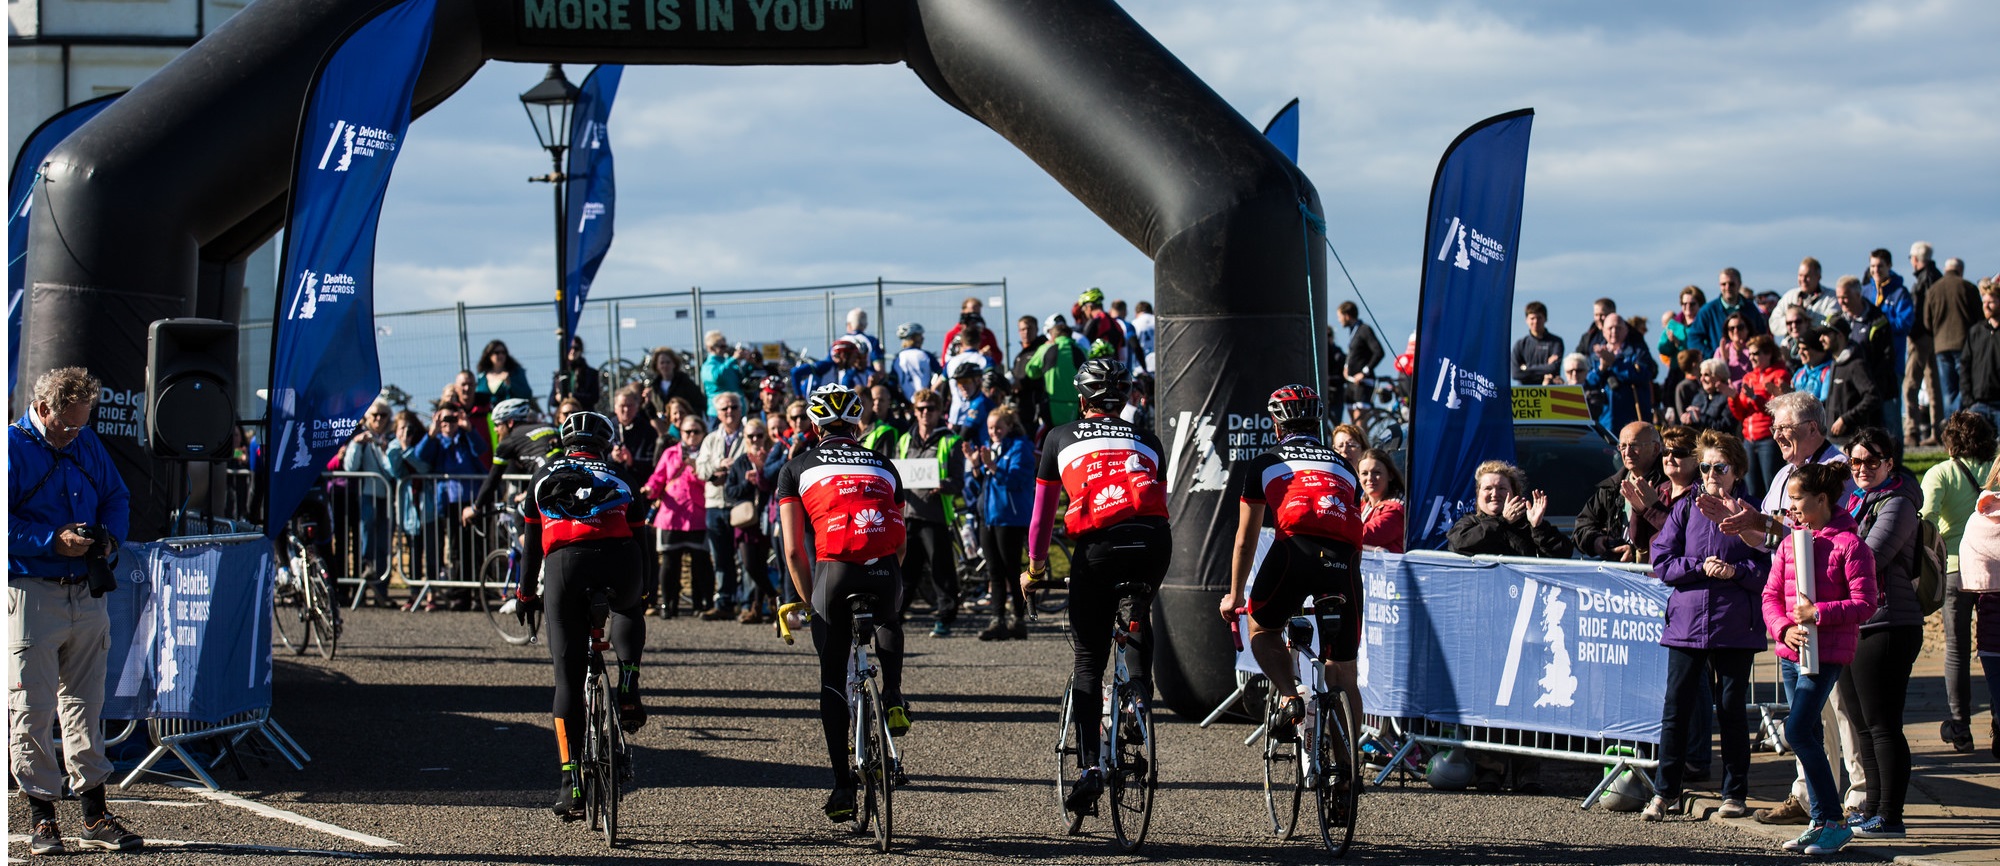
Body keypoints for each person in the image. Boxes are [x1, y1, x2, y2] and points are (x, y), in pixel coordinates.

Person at [1025, 359, 1170, 816]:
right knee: (1134, 614)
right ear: (1123, 399)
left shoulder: (1057, 437)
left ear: (1082, 400)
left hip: (1098, 546)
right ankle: (1136, 701)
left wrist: (1034, 568)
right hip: (1151, 543)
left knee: (1088, 659)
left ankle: (1090, 769)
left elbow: (1042, 517)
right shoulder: (1148, 440)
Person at [8, 367, 143, 854]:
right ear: (42, 409)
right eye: (67, 425)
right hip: (31, 591)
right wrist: (51, 541)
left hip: (85, 590)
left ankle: (95, 813)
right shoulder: (11, 448)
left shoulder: (86, 443)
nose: (74, 434)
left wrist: (109, 539)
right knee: (32, 706)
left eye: (82, 425)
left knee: (88, 704)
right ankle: (42, 817)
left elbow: (117, 497)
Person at [775, 384, 912, 822]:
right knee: (889, 616)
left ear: (813, 426)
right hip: (884, 568)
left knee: (832, 675)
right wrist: (886, 573)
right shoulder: (884, 463)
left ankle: (841, 787)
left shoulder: (795, 467)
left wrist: (806, 598)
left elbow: (794, 551)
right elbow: (901, 540)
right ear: (859, 425)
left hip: (834, 574)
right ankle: (892, 692)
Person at [515, 411, 648, 820]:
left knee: (567, 677)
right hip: (620, 561)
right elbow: (643, 542)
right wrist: (644, 591)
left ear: (564, 442)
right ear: (604, 444)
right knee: (628, 607)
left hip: (566, 566)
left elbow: (532, 546)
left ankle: (569, 782)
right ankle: (628, 682)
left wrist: (524, 594)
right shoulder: (621, 476)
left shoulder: (541, 476)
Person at [1220, 383, 1365, 747]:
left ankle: (1290, 696)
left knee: (1261, 629)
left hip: (1295, 554)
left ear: (1276, 425)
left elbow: (1245, 538)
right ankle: (1349, 771)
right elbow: (1353, 531)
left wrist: (1234, 594)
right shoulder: (1344, 466)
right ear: (1317, 423)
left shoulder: (1266, 463)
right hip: (1344, 563)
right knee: (1344, 672)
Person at [1642, 429, 1768, 822]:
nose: (1711, 473)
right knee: (1676, 708)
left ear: (1736, 471)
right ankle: (1666, 792)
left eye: (1720, 467)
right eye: (1706, 466)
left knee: (1731, 709)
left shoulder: (1752, 509)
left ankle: (1735, 792)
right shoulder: (1686, 508)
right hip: (1687, 622)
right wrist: (1699, 568)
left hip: (1734, 624)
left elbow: (1768, 568)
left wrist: (1735, 571)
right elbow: (1662, 559)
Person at [1761, 462, 1878, 855]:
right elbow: (1771, 597)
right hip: (1791, 652)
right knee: (1807, 733)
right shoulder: (1789, 543)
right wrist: (1783, 629)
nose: (1789, 507)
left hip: (1826, 653)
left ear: (1822, 499)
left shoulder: (1851, 545)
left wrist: (1818, 614)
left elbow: (1865, 603)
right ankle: (1819, 820)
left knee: (1795, 731)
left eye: (1796, 499)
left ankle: (1835, 820)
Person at [1832, 427, 1923, 838]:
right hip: (1859, 621)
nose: (1863, 468)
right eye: (1855, 461)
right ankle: (1872, 807)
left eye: (1872, 461)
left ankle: (1891, 815)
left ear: (1889, 462)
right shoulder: (1854, 500)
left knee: (1883, 723)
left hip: (1889, 622)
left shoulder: (1898, 502)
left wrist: (1826, 551)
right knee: (1862, 723)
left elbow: (1869, 556)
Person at [1926, 411, 1997, 753]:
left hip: (1955, 568)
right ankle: (1998, 721)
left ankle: (1961, 727)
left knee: (1957, 649)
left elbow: (1924, 519)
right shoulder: (1996, 470)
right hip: (1995, 571)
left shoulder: (1941, 473)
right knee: (1996, 649)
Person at [897, 388, 963, 637]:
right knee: (905, 571)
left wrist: (944, 485)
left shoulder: (950, 441)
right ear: (914, 412)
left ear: (939, 412)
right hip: (908, 515)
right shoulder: (904, 440)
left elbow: (959, 482)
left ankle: (945, 617)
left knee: (941, 570)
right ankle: (896, 615)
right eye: (921, 409)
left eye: (931, 409)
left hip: (935, 516)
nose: (926, 413)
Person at [967, 406, 1035, 640]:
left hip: (1010, 518)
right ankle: (998, 619)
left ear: (1009, 427)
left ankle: (1018, 618)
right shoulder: (991, 449)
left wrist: (992, 466)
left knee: (1011, 569)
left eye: (998, 427)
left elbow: (1017, 480)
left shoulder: (1020, 447)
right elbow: (980, 485)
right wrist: (975, 465)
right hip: (990, 516)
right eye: (990, 428)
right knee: (994, 571)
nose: (994, 432)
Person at [643, 416, 709, 618]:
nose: (691, 436)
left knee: (700, 562)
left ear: (702, 433)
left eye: (696, 431)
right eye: (687, 431)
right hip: (671, 514)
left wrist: (696, 468)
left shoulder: (707, 453)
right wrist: (649, 488)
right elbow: (658, 477)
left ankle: (700, 604)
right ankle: (669, 605)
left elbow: (712, 480)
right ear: (680, 433)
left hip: (698, 514)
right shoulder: (670, 453)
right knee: (670, 563)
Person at [1447, 460, 1574, 560]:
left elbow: (1564, 553)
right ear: (1478, 493)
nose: (1495, 494)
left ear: (1514, 493)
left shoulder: (1527, 524)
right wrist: (1502, 521)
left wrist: (1539, 527)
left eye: (1502, 488)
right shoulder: (1469, 523)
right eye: (1488, 488)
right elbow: (1460, 543)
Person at [1575, 422, 1664, 563]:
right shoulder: (1612, 487)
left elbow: (1674, 533)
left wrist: (1636, 552)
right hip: (1617, 576)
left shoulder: (1668, 485)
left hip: (1653, 576)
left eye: (1634, 445)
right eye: (1622, 446)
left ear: (1655, 449)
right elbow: (1582, 526)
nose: (1627, 452)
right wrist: (1597, 541)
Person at [463, 397, 559, 527]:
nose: (496, 429)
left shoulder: (509, 440)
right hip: (566, 480)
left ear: (510, 422)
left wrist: (475, 508)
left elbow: (493, 478)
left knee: (520, 519)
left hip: (547, 485)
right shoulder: (549, 427)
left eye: (497, 424)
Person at [696, 392, 749, 620]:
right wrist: (719, 466)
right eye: (724, 408)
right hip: (715, 503)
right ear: (717, 413)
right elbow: (700, 468)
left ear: (741, 409)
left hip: (740, 503)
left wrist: (733, 470)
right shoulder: (710, 439)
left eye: (734, 407)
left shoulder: (749, 436)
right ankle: (725, 602)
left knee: (745, 557)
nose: (729, 412)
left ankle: (747, 603)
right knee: (721, 556)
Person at [341, 400, 399, 607]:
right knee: (366, 542)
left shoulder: (392, 439)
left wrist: (385, 450)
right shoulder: (360, 438)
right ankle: (363, 590)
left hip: (387, 498)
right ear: (367, 417)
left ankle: (381, 591)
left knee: (384, 545)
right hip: (367, 496)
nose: (378, 419)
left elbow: (393, 470)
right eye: (374, 415)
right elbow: (350, 467)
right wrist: (357, 444)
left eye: (383, 415)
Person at [726, 418, 781, 623]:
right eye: (751, 436)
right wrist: (748, 483)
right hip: (746, 521)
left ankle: (757, 608)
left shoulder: (771, 457)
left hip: (765, 517)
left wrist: (761, 475)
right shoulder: (740, 461)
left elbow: (774, 485)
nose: (756, 439)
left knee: (760, 564)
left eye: (760, 435)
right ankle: (772, 595)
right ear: (745, 438)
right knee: (749, 564)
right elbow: (730, 492)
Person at [1627, 426, 1702, 555]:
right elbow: (1640, 542)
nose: (1669, 458)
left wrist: (1653, 508)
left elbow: (1687, 538)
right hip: (1652, 573)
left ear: (1697, 460)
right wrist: (1639, 511)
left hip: (1682, 573)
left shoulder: (1702, 496)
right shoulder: (1660, 490)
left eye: (1679, 453)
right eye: (1666, 451)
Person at [1730, 336, 1790, 498]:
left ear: (1768, 353)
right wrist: (1733, 398)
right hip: (1749, 440)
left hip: (1768, 439)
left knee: (1772, 486)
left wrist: (1756, 399)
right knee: (1751, 490)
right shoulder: (1748, 377)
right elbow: (1741, 413)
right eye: (1750, 354)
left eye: (1755, 353)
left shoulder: (1780, 374)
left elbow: (1777, 409)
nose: (1751, 358)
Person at [1926, 259, 1981, 423]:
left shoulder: (1933, 290)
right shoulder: (1968, 287)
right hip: (1964, 343)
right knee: (1963, 385)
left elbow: (1927, 321)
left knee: (1948, 389)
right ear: (1961, 270)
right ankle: (1961, 419)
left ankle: (1951, 421)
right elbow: (1979, 317)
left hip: (1941, 345)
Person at [1585, 313, 1658, 432]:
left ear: (1626, 330)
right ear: (1603, 331)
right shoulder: (1596, 356)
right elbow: (1588, 382)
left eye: (1618, 327)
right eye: (1610, 328)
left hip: (1632, 415)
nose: (1614, 331)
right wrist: (1602, 368)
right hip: (1604, 418)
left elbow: (1644, 375)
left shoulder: (1638, 351)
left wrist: (1614, 363)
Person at [1905, 244, 1945, 445]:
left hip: (1921, 336)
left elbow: (1921, 310)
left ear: (1916, 259)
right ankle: (1937, 430)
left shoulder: (1923, 281)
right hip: (1934, 336)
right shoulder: (1937, 276)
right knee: (1933, 384)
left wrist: (1914, 331)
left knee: (1910, 384)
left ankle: (1911, 430)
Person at [1822, 319, 1884, 446]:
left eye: (1826, 334)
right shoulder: (1835, 363)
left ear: (1839, 335)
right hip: (1833, 440)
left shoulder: (1856, 364)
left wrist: (1846, 419)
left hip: (1850, 442)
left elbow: (1873, 397)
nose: (1821, 338)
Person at [1025, 315, 1088, 428]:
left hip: (1050, 407)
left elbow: (1030, 372)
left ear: (1053, 336)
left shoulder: (1045, 349)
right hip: (1075, 407)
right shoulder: (1081, 350)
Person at [1694, 268, 1769, 356]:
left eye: (1731, 284)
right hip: (1719, 365)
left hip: (1748, 363)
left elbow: (1761, 336)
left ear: (1739, 284)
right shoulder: (1708, 311)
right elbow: (1694, 339)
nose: (1727, 287)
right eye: (1723, 284)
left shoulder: (1750, 308)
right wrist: (1713, 356)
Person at [1773, 257, 1841, 344]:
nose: (1803, 280)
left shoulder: (1831, 297)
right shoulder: (1789, 297)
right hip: (1790, 349)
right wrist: (1792, 318)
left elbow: (1833, 323)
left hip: (1819, 347)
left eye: (1807, 276)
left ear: (1818, 277)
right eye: (1800, 275)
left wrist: (1806, 315)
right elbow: (1773, 324)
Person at [1337, 301, 1384, 422]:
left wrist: (1364, 372)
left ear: (1347, 315)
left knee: (1360, 419)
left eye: (1340, 316)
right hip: (1351, 381)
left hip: (1363, 382)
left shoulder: (1364, 329)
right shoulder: (1353, 331)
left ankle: (1362, 440)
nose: (1339, 320)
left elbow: (1379, 352)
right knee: (1352, 417)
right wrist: (1347, 366)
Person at [1963, 280, 2000, 431]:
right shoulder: (1976, 331)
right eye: (1984, 301)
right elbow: (1965, 365)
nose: (1986, 305)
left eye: (1991, 302)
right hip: (1978, 404)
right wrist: (1968, 401)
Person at [1357, 448, 1406, 553]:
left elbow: (1362, 535)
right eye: (1364, 473)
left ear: (1390, 475)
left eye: (1376, 472)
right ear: (1359, 477)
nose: (1370, 478)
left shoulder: (1397, 511)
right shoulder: (1359, 505)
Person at [642, 346, 705, 423]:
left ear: (674, 364)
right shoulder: (653, 387)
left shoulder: (685, 382)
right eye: (662, 363)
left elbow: (699, 403)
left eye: (668, 362)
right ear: (657, 366)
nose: (665, 366)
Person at [1658, 286, 1707, 385]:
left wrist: (1680, 344)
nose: (1688, 307)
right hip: (1677, 372)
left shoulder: (1705, 324)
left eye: (1692, 304)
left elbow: (1703, 348)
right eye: (1684, 304)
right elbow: (1662, 348)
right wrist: (1670, 342)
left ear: (1700, 305)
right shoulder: (1673, 324)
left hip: (1699, 372)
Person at [476, 339, 536, 417]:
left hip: (511, 415)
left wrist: (510, 384)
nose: (500, 355)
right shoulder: (482, 376)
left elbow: (527, 394)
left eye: (503, 352)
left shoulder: (516, 372)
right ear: (489, 355)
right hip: (489, 416)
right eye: (497, 353)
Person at [1513, 300, 1565, 386]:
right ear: (1526, 320)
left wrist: (1526, 368)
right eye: (1532, 318)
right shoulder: (1520, 345)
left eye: (1539, 318)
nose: (1536, 321)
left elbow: (1553, 369)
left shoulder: (1556, 342)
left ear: (1545, 319)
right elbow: (1515, 373)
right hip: (1526, 393)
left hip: (1550, 392)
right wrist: (1545, 367)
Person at [1011, 315, 1048, 431]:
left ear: (1037, 329)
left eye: (1029, 329)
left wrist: (1023, 384)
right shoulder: (1019, 356)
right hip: (1020, 409)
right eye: (1022, 329)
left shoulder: (1043, 349)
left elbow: (1045, 378)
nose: (1026, 332)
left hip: (1037, 409)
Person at [1684, 358, 1740, 436]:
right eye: (1701, 375)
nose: (1702, 379)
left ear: (1719, 376)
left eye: (1706, 375)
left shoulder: (1728, 398)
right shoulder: (1698, 397)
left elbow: (1726, 427)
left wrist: (1701, 417)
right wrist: (1687, 421)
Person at [892, 321, 943, 404]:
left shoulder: (898, 358)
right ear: (913, 337)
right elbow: (941, 374)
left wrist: (900, 400)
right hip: (927, 400)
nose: (923, 338)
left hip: (906, 403)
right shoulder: (926, 355)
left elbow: (893, 382)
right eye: (920, 336)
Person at [941, 296, 1002, 363]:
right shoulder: (952, 335)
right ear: (963, 311)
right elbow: (945, 361)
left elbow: (998, 356)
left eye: (977, 314)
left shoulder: (987, 334)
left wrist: (989, 355)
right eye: (971, 313)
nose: (974, 317)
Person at [1071, 288, 1126, 362]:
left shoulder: (1095, 322)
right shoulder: (1117, 324)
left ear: (1089, 307)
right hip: (1115, 368)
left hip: (1098, 368)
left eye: (1083, 310)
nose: (1084, 314)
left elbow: (1084, 344)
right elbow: (1123, 354)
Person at [700, 330, 744, 419]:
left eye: (725, 346)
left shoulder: (727, 363)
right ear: (711, 348)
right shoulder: (708, 366)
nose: (725, 349)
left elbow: (741, 380)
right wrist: (733, 359)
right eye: (722, 346)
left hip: (736, 411)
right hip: (718, 414)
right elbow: (716, 377)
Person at [550, 337, 602, 412]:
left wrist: (573, 396)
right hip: (564, 416)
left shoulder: (590, 373)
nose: (573, 351)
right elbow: (552, 401)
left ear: (581, 351)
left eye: (576, 348)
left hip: (584, 415)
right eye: (570, 348)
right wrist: (557, 398)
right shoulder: (559, 374)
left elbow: (594, 397)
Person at [1714, 312, 1757, 385]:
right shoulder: (1721, 350)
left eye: (1740, 327)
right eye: (1731, 328)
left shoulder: (1756, 348)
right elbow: (1716, 377)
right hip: (1729, 393)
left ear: (1747, 329)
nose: (1736, 331)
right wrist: (1724, 360)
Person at [1793, 327, 1834, 401]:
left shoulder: (1829, 372)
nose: (1800, 352)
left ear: (1819, 351)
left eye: (1805, 349)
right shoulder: (1799, 373)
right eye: (1799, 348)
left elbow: (1824, 403)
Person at [1131, 299, 1158, 370]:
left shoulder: (1134, 323)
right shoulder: (1158, 321)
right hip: (1158, 365)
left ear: (1136, 313)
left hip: (1140, 367)